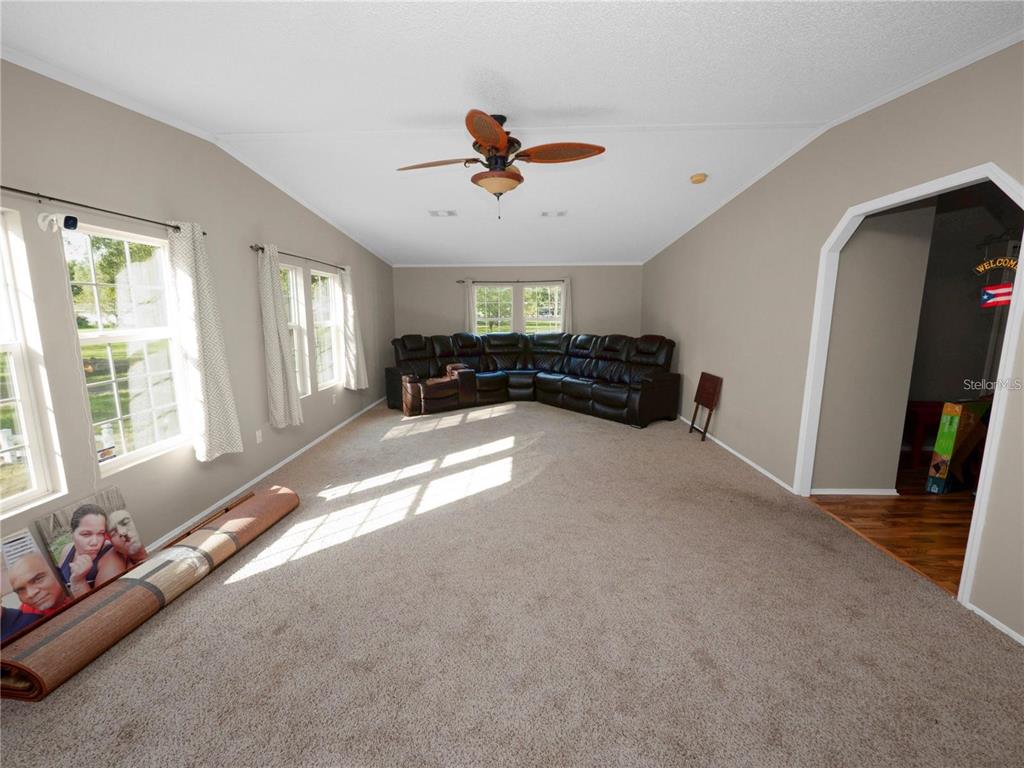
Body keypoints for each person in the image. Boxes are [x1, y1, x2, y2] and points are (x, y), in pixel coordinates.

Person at [58, 504, 126, 597]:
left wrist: (79, 581)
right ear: (72, 534)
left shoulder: (111, 557)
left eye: (100, 534)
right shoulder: (67, 549)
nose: (95, 542)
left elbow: (102, 606)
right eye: (86, 534)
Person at [2, 552, 71, 641]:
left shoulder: (81, 592)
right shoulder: (24, 615)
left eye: (38, 579)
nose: (30, 594)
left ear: (57, 572)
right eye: (20, 590)